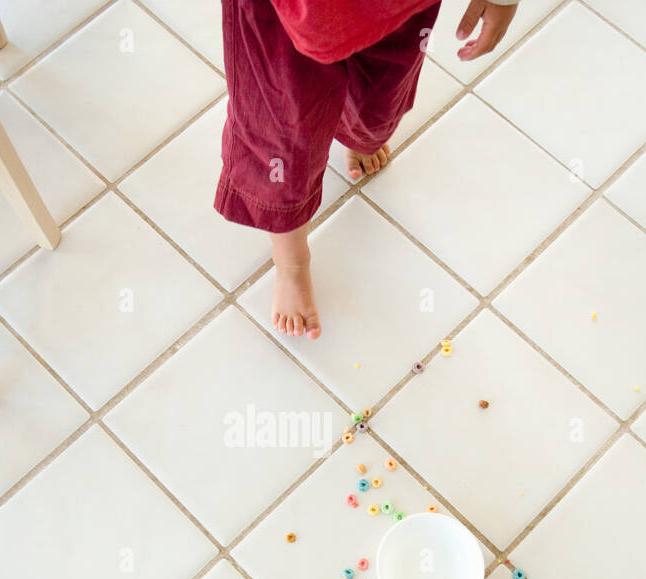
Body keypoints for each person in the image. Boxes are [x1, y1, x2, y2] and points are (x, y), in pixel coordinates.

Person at [213, 0, 520, 339]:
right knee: (279, 132)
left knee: (377, 108)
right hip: (283, 13)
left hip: (393, 9)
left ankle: (359, 133)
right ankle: (291, 260)